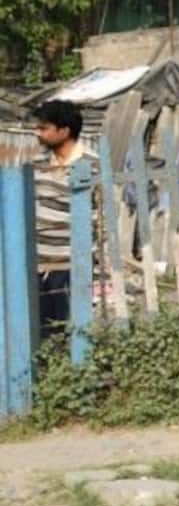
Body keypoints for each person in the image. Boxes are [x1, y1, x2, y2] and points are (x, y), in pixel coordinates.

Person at [30, 99, 85, 341]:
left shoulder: (89, 165)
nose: (37, 133)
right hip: (38, 263)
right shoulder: (38, 166)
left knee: (72, 329)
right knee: (43, 332)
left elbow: (99, 218)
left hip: (71, 264)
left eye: (44, 128)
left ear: (63, 131)